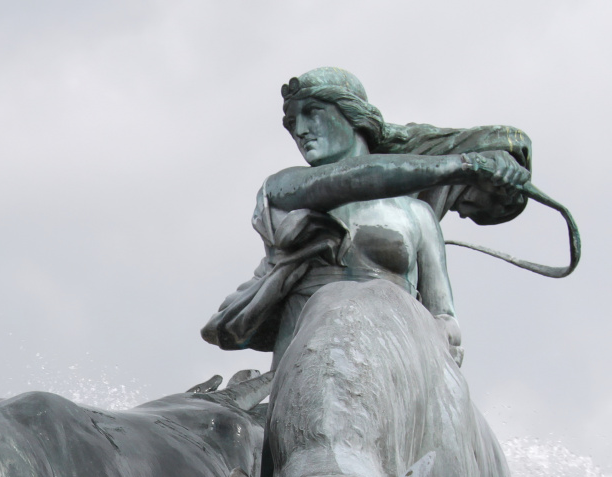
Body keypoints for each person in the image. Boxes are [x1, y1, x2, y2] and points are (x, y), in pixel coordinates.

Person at [203, 67, 532, 371]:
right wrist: (466, 165)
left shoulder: (417, 215)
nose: (300, 130)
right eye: (292, 123)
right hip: (303, 371)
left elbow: (442, 313)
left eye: (312, 113)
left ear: (353, 117)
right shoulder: (284, 187)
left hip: (394, 371)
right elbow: (351, 177)